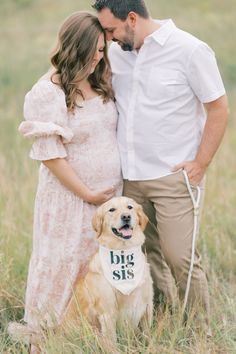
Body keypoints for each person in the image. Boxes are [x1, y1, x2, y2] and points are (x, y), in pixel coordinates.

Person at [92, 0, 228, 331]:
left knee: (179, 257)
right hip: (130, 178)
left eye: (111, 29)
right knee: (148, 255)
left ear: (133, 19)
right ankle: (163, 322)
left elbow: (219, 108)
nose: (108, 38)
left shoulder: (191, 50)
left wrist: (201, 163)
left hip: (173, 177)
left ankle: (200, 330)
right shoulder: (118, 53)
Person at [17, 11, 122, 352]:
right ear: (75, 47)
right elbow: (51, 155)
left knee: (97, 268)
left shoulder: (101, 79)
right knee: (63, 264)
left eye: (103, 50)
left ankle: (90, 336)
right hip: (70, 200)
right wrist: (87, 193)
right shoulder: (49, 92)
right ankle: (44, 340)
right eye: (93, 50)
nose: (98, 56)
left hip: (106, 200)